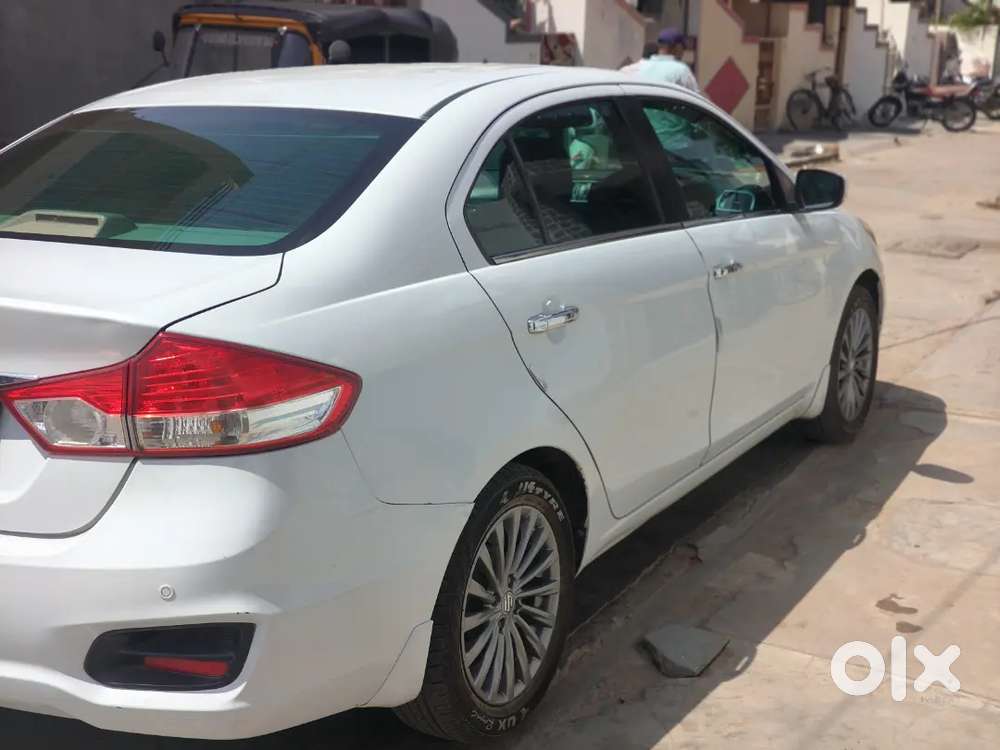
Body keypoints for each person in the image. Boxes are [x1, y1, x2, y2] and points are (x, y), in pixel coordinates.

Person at [628, 28, 699, 93]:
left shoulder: (640, 66)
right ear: (678, 47)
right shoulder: (681, 70)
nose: (683, 52)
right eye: (683, 47)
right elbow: (696, 99)